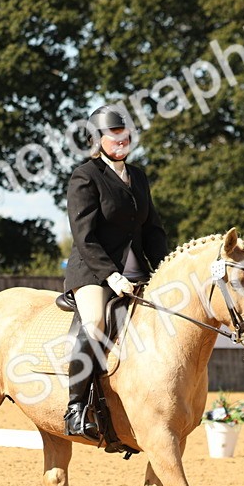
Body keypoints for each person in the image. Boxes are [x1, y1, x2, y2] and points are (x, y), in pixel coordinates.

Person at [62, 105, 170, 440]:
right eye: (114, 135)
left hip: (136, 269)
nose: (121, 140)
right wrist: (111, 275)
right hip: (94, 270)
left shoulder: (138, 176)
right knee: (95, 322)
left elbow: (152, 229)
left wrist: (166, 269)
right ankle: (76, 407)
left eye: (125, 134)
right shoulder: (85, 176)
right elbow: (85, 235)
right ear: (97, 139)